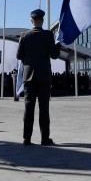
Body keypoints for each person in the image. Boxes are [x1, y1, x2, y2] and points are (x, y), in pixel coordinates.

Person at [16, 8, 60, 146]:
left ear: (31, 21)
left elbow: (18, 56)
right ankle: (44, 139)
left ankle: (26, 138)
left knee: (28, 108)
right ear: (42, 20)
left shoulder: (24, 35)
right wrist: (57, 46)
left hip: (28, 77)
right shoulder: (48, 35)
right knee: (44, 108)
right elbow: (54, 55)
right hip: (43, 76)